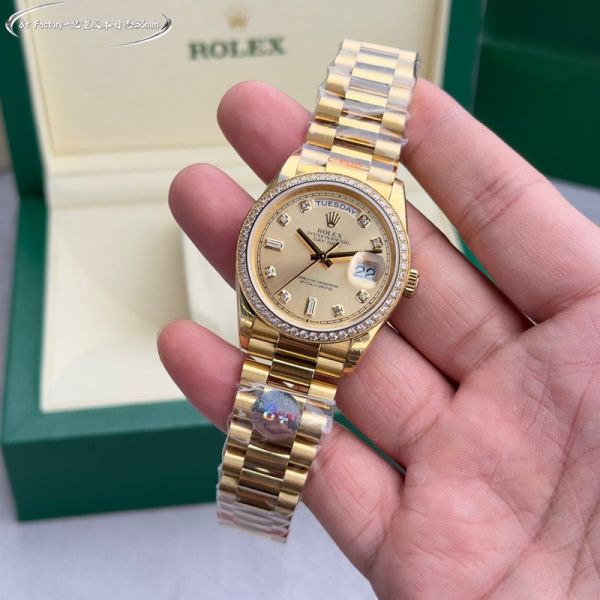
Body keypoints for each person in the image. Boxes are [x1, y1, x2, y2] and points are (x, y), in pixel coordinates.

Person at [157, 79, 600, 598]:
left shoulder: (384, 270)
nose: (324, 258)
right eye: (319, 252)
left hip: (320, 320)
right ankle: (251, 502)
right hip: (278, 309)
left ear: (400, 281)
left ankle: (252, 503)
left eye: (331, 256)